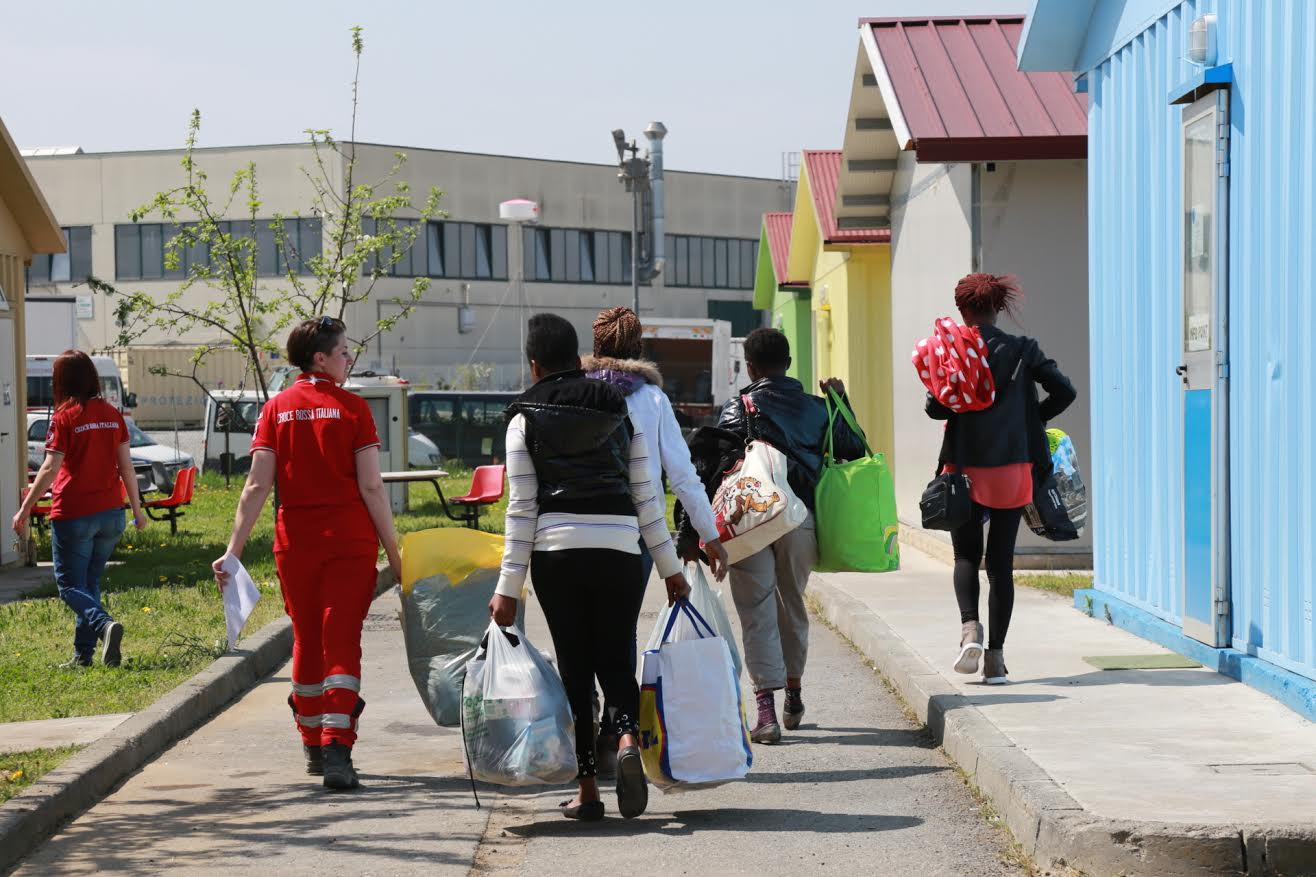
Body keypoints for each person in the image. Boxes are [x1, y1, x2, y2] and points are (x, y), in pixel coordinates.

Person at [488, 313, 690, 822]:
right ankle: (625, 739)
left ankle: (587, 790)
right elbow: (645, 494)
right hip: (619, 546)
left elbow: (522, 508)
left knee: (575, 667)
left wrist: (508, 586)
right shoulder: (617, 406)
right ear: (577, 358)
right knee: (616, 659)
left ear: (534, 364)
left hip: (556, 553)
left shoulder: (524, 416)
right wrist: (669, 566)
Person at [213, 317, 402, 790]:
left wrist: (233, 552)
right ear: (320, 358)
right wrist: (395, 555)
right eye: (343, 352)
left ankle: (313, 744)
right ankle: (338, 748)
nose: (349, 359)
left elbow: (257, 485)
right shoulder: (354, 409)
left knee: (307, 639)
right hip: (350, 543)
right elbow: (372, 487)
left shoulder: (276, 409)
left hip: (295, 543)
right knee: (342, 640)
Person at [582, 306, 728, 774]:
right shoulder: (651, 399)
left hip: (573, 525)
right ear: (638, 348)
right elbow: (682, 475)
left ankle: (588, 725)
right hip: (637, 528)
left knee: (580, 629)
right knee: (620, 626)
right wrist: (710, 536)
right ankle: (616, 730)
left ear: (596, 345)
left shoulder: (575, 390)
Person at [711, 328, 866, 744]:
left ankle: (766, 713)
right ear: (790, 364)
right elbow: (854, 448)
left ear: (750, 368)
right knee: (792, 603)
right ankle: (793, 694)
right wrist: (840, 401)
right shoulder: (817, 408)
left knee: (756, 610)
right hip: (801, 521)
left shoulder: (737, 407)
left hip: (754, 518)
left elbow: (718, 466)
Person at [925, 273, 1075, 684]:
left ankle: (969, 631)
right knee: (1000, 565)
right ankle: (995, 660)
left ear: (962, 310)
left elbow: (935, 408)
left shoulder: (954, 350)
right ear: (999, 307)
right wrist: (1030, 420)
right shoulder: (1024, 350)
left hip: (963, 469)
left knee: (965, 557)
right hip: (1012, 468)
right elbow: (1065, 391)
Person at [12, 350, 147, 669]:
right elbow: (127, 467)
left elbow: (50, 468)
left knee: (70, 586)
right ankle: (83, 656)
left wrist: (25, 509)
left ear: (62, 381)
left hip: (74, 514)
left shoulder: (65, 417)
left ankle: (104, 625)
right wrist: (137, 511)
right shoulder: (113, 415)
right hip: (111, 514)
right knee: (89, 584)